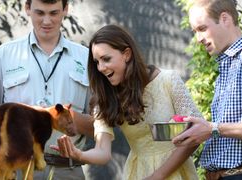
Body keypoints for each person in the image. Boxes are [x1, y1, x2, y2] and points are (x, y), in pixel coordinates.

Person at [50, 24, 202, 180]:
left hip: (175, 172)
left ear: (127, 54)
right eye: (96, 62)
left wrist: (158, 176)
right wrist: (79, 154)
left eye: (106, 59)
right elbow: (103, 152)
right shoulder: (106, 97)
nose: (101, 68)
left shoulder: (168, 80)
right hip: (139, 174)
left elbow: (196, 133)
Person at [0, 0, 93, 179]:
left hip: (67, 170)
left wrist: (66, 119)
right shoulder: (4, 54)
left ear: (66, 9)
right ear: (27, 9)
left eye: (53, 13)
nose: (47, 21)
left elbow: (102, 127)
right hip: (14, 168)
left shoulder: (87, 58)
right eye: (40, 13)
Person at [171, 0, 242, 180]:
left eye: (202, 28)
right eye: (195, 32)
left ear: (225, 19)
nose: (198, 39)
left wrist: (212, 128)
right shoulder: (230, 65)